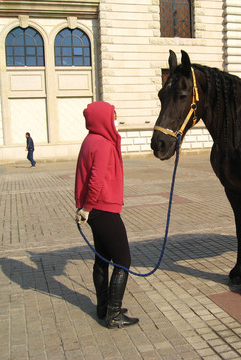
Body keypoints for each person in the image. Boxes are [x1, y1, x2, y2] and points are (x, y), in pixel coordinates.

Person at [74, 101, 138, 328]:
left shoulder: (90, 140)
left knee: (102, 259)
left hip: (94, 211)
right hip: (103, 209)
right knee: (123, 260)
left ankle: (104, 307)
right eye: (113, 116)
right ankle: (113, 314)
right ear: (103, 118)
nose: (115, 121)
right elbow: (96, 180)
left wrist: (84, 209)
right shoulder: (102, 143)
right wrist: (89, 207)